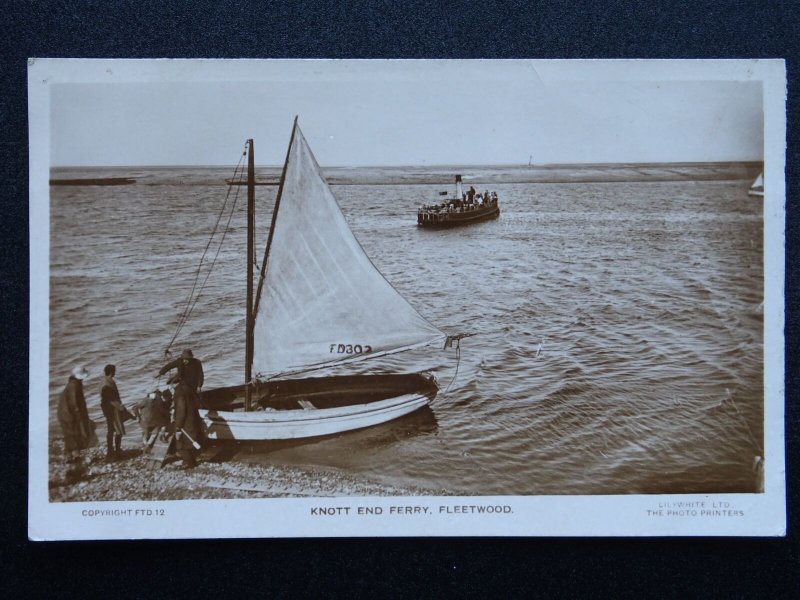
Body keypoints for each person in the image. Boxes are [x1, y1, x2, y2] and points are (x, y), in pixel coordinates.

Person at [57, 366, 92, 463]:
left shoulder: (73, 384)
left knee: (69, 435)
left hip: (64, 413)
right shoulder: (74, 385)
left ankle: (68, 457)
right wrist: (79, 417)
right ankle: (76, 457)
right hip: (69, 415)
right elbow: (74, 403)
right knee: (74, 434)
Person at [172, 377, 203, 469]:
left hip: (184, 421)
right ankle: (192, 460)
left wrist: (178, 425)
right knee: (191, 440)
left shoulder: (179, 392)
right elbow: (198, 404)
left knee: (180, 443)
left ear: (174, 384)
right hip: (193, 418)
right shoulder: (189, 389)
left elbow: (181, 409)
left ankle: (190, 463)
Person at [99, 364, 128, 460]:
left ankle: (112, 451)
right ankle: (114, 452)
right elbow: (111, 399)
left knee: (112, 430)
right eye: (114, 371)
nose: (115, 372)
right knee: (116, 430)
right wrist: (120, 408)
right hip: (112, 409)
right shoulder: (107, 384)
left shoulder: (103, 381)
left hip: (107, 408)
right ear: (112, 372)